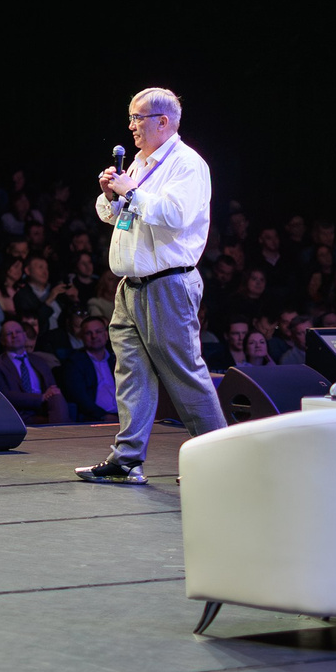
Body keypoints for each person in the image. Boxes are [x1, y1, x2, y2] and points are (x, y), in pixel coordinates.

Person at [79, 88, 227, 484]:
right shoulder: (143, 163)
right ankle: (127, 459)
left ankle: (219, 464)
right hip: (130, 285)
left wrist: (131, 190)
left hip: (167, 284)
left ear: (164, 121)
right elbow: (121, 216)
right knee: (131, 373)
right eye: (130, 118)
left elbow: (175, 216)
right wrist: (111, 196)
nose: (131, 126)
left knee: (184, 374)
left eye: (138, 118)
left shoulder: (186, 163)